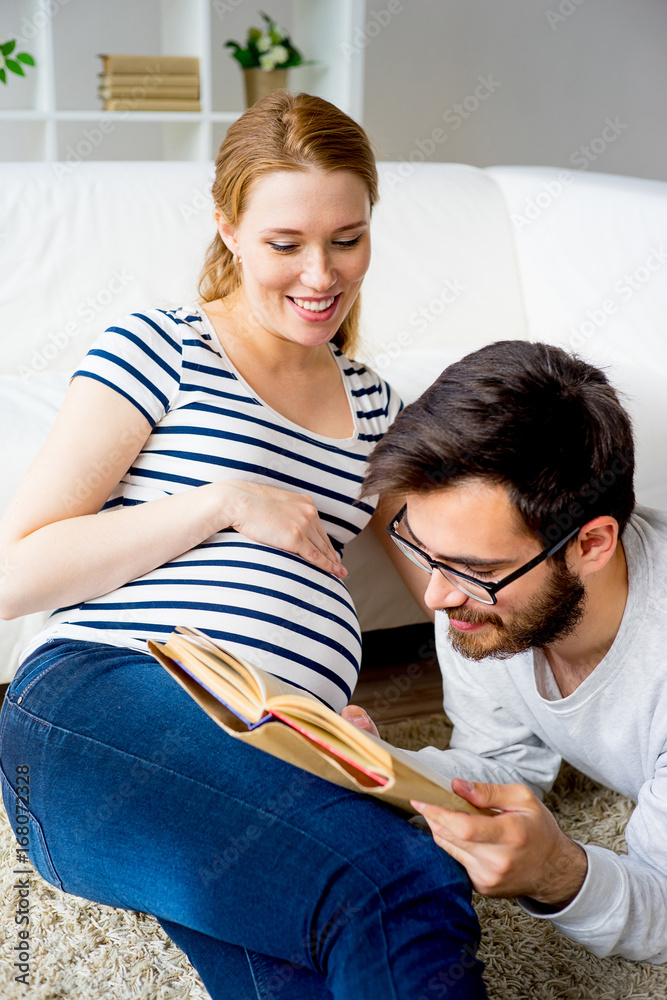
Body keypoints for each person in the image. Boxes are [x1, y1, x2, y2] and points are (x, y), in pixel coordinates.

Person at [0, 93, 487, 1000]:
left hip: (283, 741)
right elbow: (12, 572)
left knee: (327, 945)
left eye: (348, 238)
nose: (321, 273)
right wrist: (220, 502)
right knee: (401, 883)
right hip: (106, 701)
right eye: (285, 242)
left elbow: (454, 583)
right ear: (226, 229)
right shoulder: (162, 346)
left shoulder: (377, 404)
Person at [347, 338, 667, 964]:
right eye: (424, 550)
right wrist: (379, 765)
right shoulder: (485, 598)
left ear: (592, 544)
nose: (436, 596)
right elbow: (502, 762)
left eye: (471, 569)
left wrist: (556, 872)